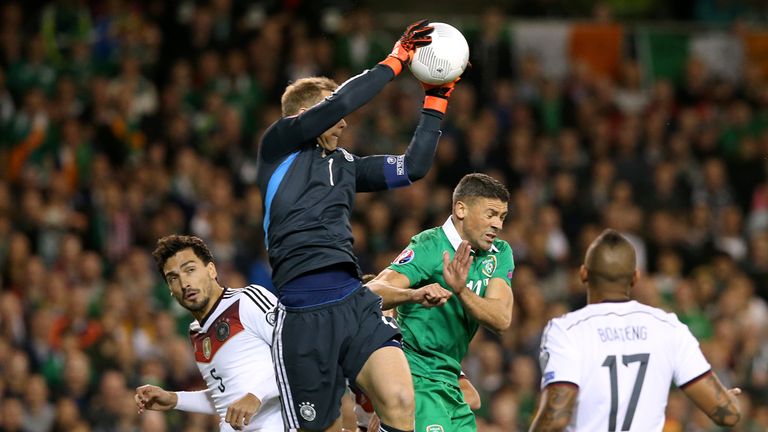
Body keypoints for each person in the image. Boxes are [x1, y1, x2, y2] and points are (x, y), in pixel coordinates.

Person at [256, 18, 459, 432]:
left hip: (353, 301)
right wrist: (396, 60)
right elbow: (339, 105)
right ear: (305, 115)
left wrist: (436, 99)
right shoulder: (277, 147)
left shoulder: (346, 165)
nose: (345, 122)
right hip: (302, 312)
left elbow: (414, 167)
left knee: (401, 401)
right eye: (334, 112)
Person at [529, 229, 741, 431]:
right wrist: (727, 400)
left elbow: (555, 420)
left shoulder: (566, 330)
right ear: (635, 277)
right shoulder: (669, 328)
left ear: (584, 274)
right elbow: (727, 414)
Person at [367, 173, 515, 431]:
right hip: (416, 375)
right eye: (490, 214)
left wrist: (461, 291)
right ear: (461, 209)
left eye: (502, 217)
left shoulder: (500, 254)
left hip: (450, 379)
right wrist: (413, 294)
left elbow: (501, 319)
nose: (498, 224)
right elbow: (371, 291)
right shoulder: (430, 246)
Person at [134, 235, 283, 431]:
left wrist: (257, 395)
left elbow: (298, 357)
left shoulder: (246, 301)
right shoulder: (196, 332)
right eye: (173, 278)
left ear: (211, 270)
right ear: (170, 289)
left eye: (190, 270)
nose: (184, 283)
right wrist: (174, 399)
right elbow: (224, 397)